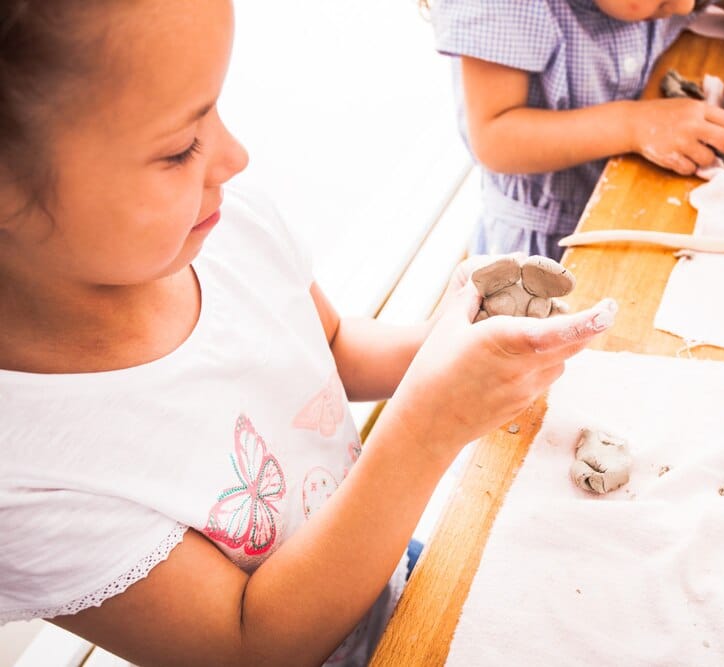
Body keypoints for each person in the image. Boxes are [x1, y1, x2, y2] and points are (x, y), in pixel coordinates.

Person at [0, 1, 616, 664]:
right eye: (180, 149)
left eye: (215, 111)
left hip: (392, 563)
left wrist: (449, 339)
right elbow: (250, 643)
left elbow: (334, 349)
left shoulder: (226, 228)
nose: (235, 156)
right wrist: (428, 427)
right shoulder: (25, 472)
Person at [431, 0, 724, 259]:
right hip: (546, 244)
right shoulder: (503, 7)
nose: (687, 5)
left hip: (636, 211)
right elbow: (495, 136)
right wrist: (634, 124)